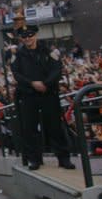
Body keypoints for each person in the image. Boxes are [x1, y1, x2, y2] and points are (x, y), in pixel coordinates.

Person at [11, 24, 75, 171]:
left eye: (30, 35)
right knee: (30, 128)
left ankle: (63, 158)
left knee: (55, 126)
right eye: (24, 36)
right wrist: (33, 83)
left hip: (48, 93)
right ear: (21, 38)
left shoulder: (48, 50)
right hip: (28, 95)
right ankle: (35, 159)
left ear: (36, 36)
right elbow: (17, 74)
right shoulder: (18, 54)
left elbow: (57, 69)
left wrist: (45, 83)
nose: (28, 39)